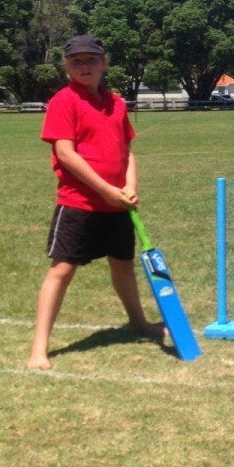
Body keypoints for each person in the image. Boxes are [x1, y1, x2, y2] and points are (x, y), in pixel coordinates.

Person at [27, 35, 165, 370]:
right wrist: (104, 188)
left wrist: (129, 187)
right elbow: (65, 152)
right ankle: (38, 350)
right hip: (78, 203)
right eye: (77, 62)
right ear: (67, 67)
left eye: (91, 60)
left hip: (117, 203)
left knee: (122, 265)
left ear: (104, 63)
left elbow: (127, 150)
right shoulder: (64, 101)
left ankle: (139, 323)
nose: (84, 66)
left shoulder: (116, 102)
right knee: (61, 269)